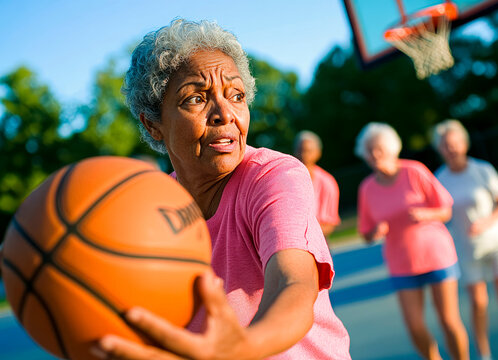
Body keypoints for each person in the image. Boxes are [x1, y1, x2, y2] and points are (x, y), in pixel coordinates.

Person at [89, 18, 351, 360]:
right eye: (196, 99)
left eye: (236, 95)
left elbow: (294, 283)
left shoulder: (273, 176)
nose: (224, 114)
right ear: (153, 124)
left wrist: (240, 348)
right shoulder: (152, 213)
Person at [355, 122, 469, 360]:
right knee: (415, 327)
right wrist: (375, 232)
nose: (374, 155)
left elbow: (445, 209)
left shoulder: (414, 171)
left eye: (379, 149)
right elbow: (365, 233)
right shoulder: (366, 189)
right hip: (401, 264)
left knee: (449, 320)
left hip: (437, 257)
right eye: (369, 151)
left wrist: (426, 214)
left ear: (391, 148)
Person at [432, 119, 498, 360]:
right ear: (440, 149)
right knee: (478, 303)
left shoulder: (482, 170)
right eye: (446, 146)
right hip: (465, 249)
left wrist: (486, 222)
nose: (451, 149)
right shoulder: (439, 179)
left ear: (464, 143)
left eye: (455, 143)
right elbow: (439, 217)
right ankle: (484, 354)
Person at [293, 130, 341, 236]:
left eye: (308, 151)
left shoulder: (327, 182)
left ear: (318, 153)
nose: (304, 155)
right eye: (300, 150)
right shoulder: (285, 178)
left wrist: (303, 232)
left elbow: (330, 223)